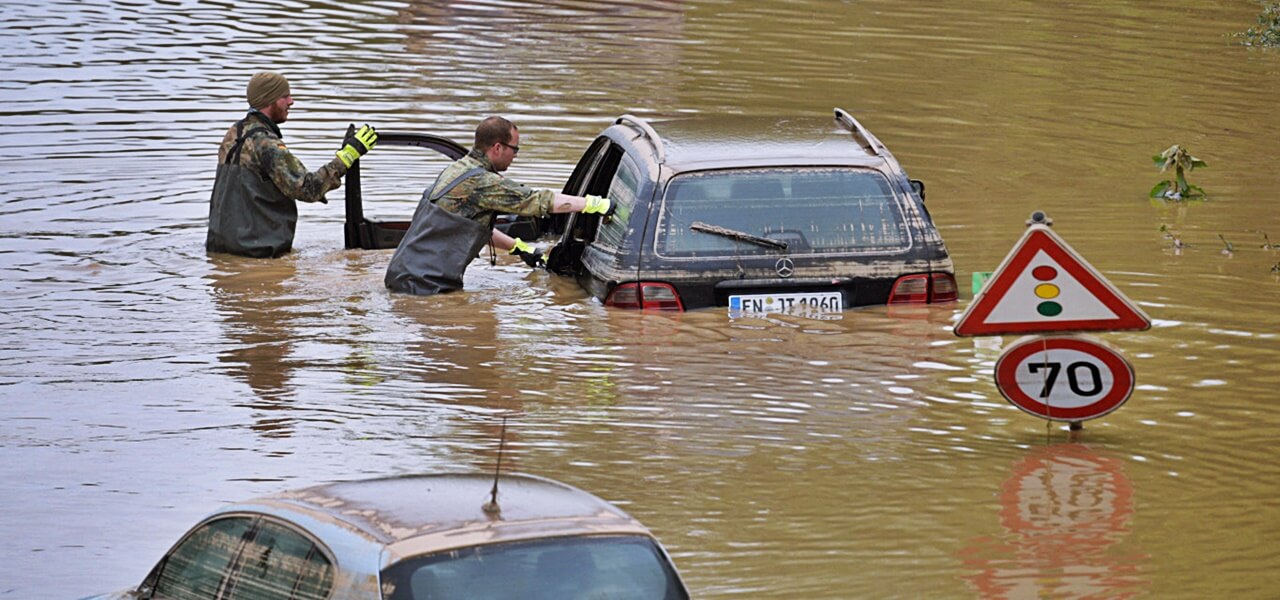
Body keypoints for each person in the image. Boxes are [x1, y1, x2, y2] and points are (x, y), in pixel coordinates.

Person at [385, 116, 614, 295]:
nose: (515, 156)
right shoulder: (482, 182)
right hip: (423, 288)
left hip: (402, 277)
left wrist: (518, 248)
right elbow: (537, 200)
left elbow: (469, 226)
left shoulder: (458, 170)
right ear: (497, 147)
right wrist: (593, 204)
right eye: (515, 149)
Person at [206, 71, 378, 258]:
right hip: (258, 255)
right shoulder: (266, 143)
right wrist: (347, 156)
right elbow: (308, 188)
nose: (291, 101)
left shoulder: (233, 133)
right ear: (269, 100)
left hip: (219, 249)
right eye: (285, 96)